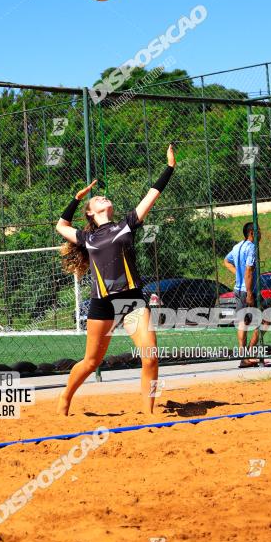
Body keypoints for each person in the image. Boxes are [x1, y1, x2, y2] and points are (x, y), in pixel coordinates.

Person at [56, 145, 176, 416]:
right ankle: (65, 397)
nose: (102, 198)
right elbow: (61, 226)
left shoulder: (127, 224)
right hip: (102, 303)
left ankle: (148, 414)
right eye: (97, 199)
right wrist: (77, 198)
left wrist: (169, 168)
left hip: (132, 299)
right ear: (90, 212)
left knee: (151, 357)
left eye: (103, 197)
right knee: (91, 361)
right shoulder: (87, 238)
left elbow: (152, 195)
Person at [224, 222, 268, 368]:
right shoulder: (252, 248)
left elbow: (226, 261)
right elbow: (249, 270)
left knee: (243, 323)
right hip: (249, 290)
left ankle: (245, 358)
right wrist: (249, 293)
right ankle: (248, 354)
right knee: (265, 321)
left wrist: (238, 274)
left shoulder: (237, 247)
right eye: (259, 231)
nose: (261, 234)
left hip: (238, 289)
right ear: (252, 233)